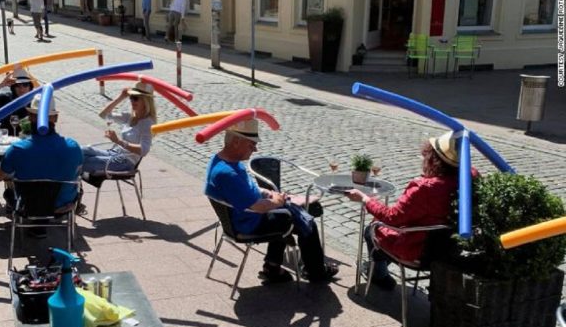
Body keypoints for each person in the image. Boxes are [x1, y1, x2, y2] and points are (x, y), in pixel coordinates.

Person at [205, 119, 339, 284]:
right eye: (251, 144)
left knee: (297, 211)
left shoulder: (221, 161)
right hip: (248, 223)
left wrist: (268, 193)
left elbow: (247, 190)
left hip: (239, 219)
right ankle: (316, 272)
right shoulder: (227, 174)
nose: (255, 148)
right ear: (236, 141)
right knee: (306, 220)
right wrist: (278, 201)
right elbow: (259, 207)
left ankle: (273, 266)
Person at [345, 131, 478, 291]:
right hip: (449, 249)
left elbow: (392, 217)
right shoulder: (472, 177)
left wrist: (365, 199)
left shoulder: (425, 188)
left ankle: (379, 275)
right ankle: (378, 267)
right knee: (380, 228)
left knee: (371, 230)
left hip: (418, 250)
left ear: (433, 158)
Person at [0, 94, 83, 238]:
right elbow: (78, 171)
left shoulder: (18, 149)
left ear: (30, 117)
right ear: (55, 118)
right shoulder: (73, 147)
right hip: (62, 205)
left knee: (10, 188)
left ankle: (33, 226)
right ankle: (40, 227)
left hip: (27, 205)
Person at [81, 82, 156, 174]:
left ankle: (68, 185)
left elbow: (144, 150)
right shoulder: (130, 116)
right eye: (131, 97)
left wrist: (119, 142)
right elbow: (104, 115)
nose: (132, 101)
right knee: (81, 150)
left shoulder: (148, 123)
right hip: (114, 153)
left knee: (82, 161)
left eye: (135, 98)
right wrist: (121, 97)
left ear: (146, 101)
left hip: (126, 161)